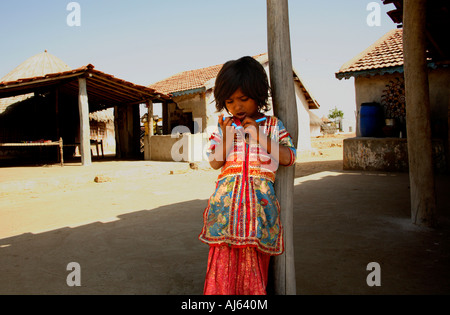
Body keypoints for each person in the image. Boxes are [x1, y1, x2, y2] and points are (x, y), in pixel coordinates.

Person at [198, 56, 297, 295]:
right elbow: (214, 162)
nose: (236, 107)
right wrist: (228, 137)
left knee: (253, 269)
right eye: (230, 101)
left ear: (258, 94)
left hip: (258, 214)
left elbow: (288, 157)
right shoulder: (224, 127)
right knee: (222, 266)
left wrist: (259, 136)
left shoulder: (273, 125)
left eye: (243, 99)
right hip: (225, 213)